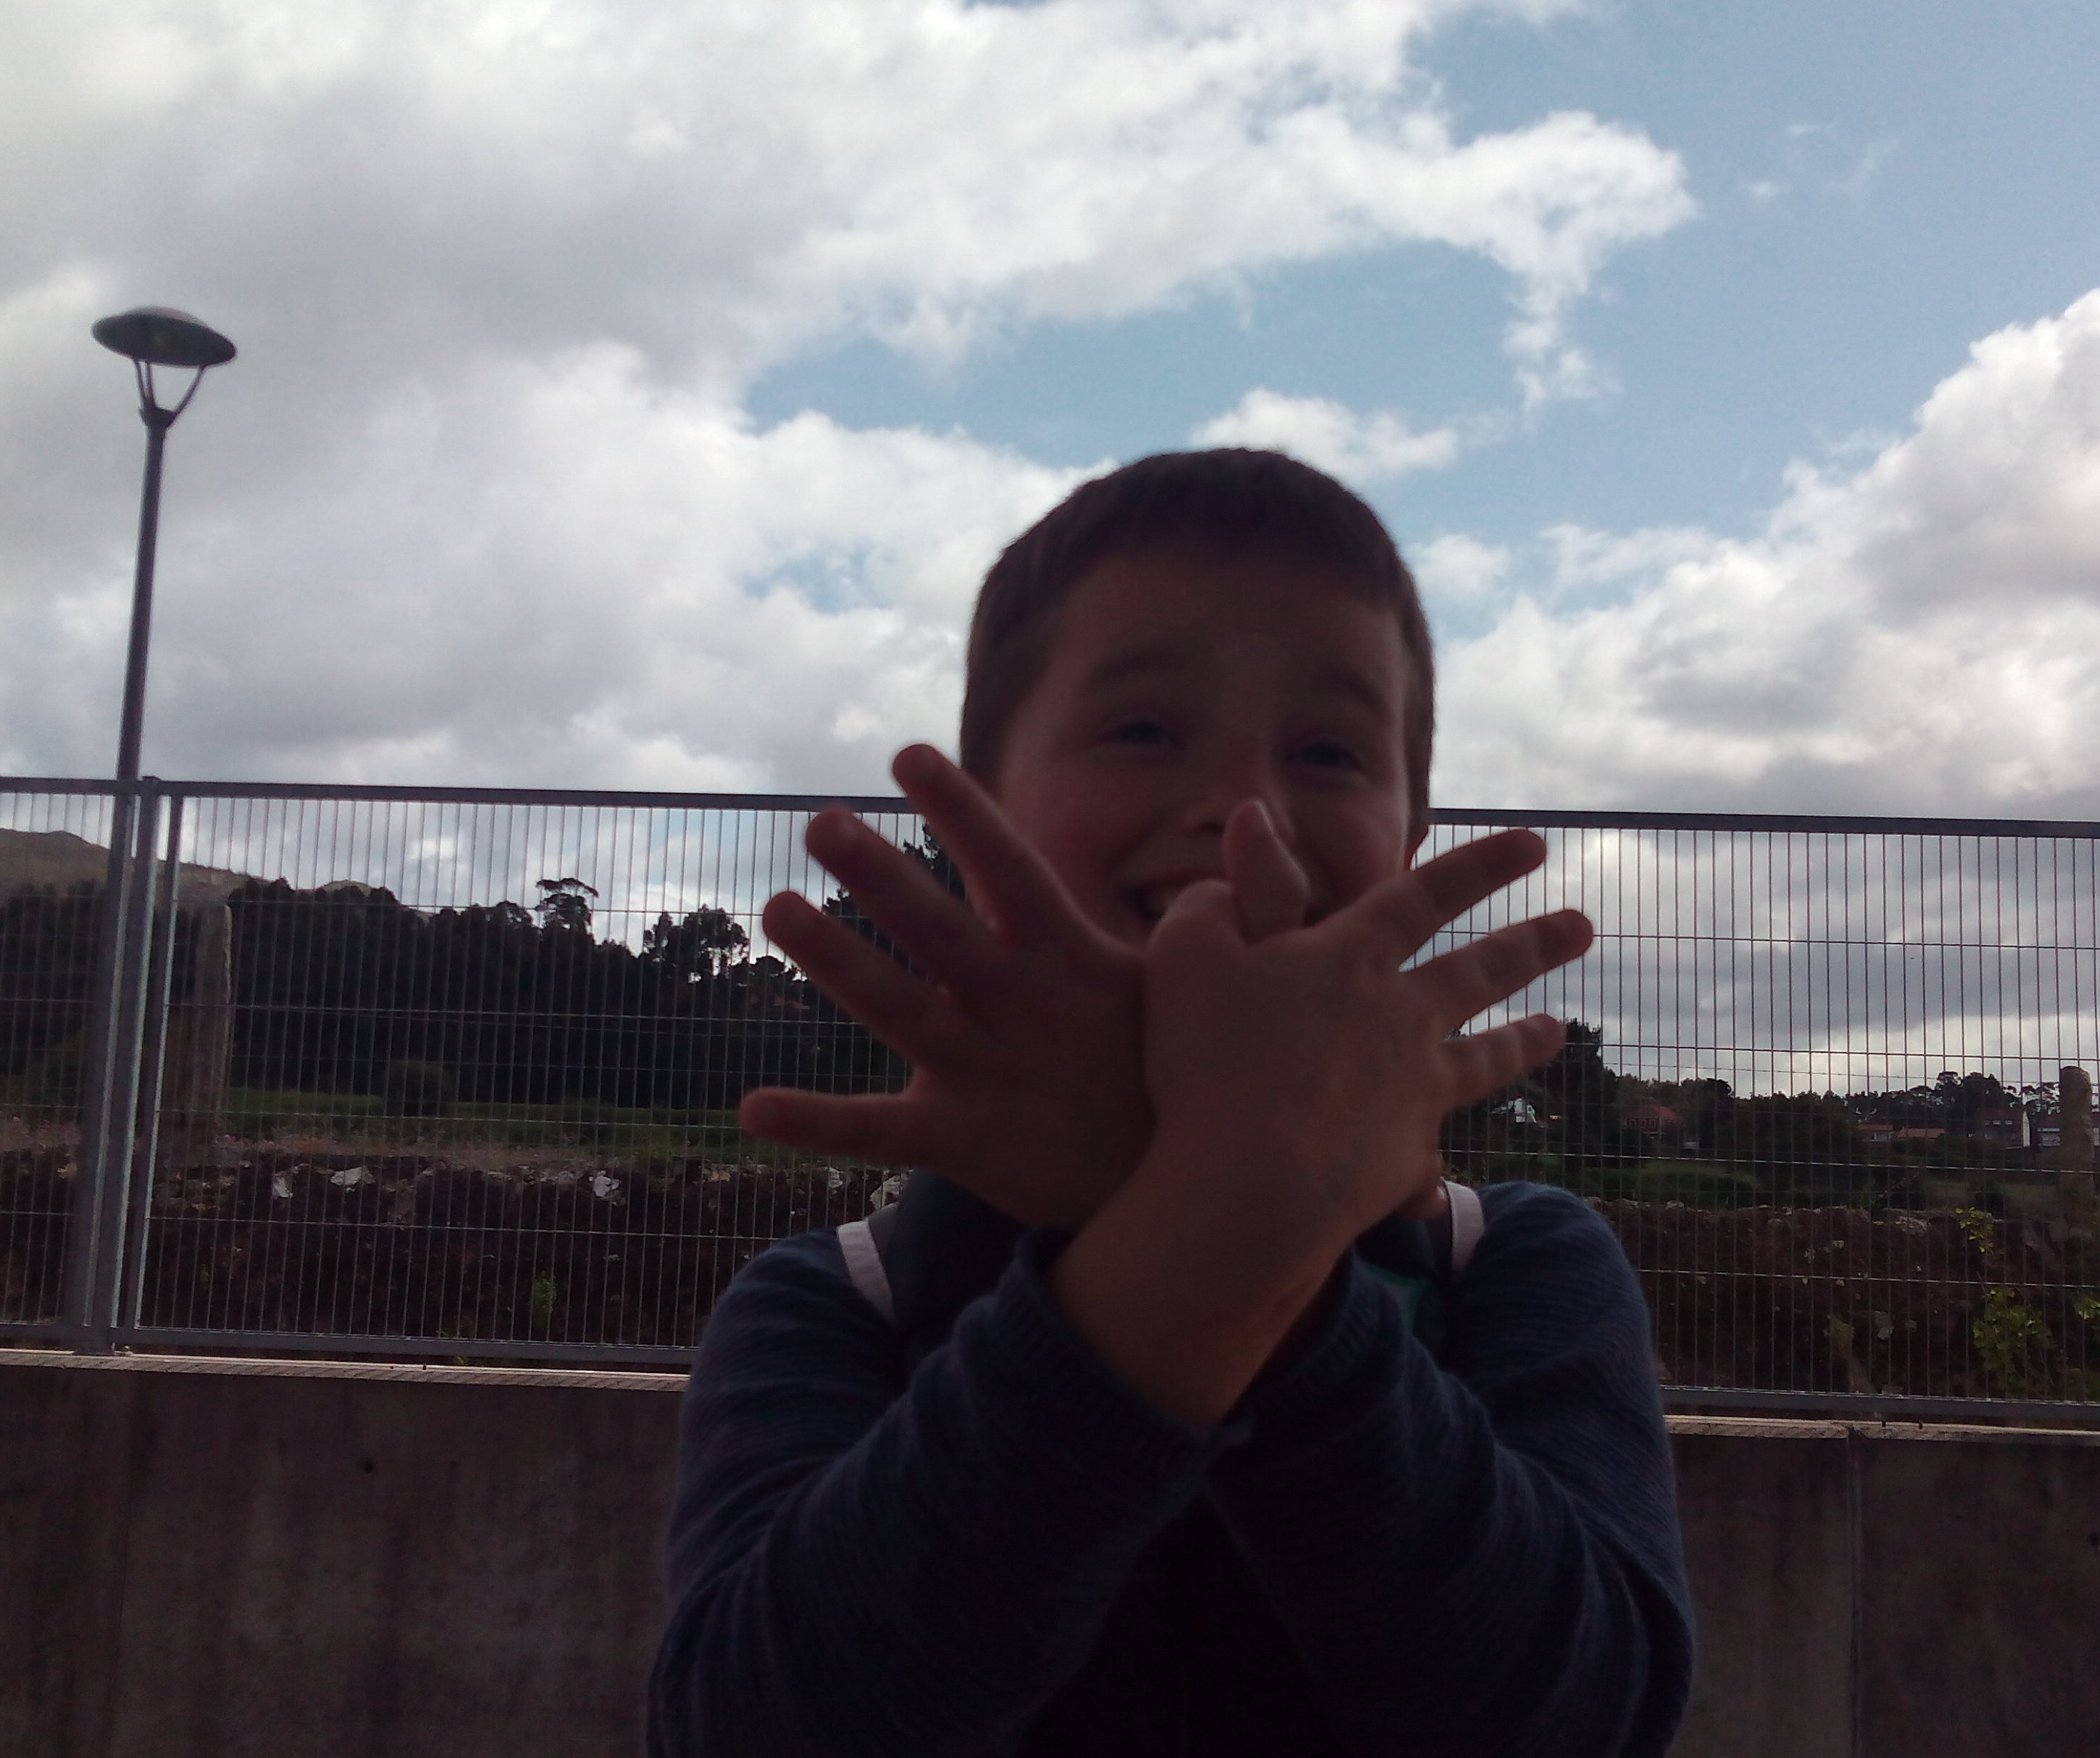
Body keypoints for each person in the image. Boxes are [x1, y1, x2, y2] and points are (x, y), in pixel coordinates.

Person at [649, 449, 1694, 1757]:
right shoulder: (838, 1303)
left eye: (1327, 750)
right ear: (982, 812)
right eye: (1143, 728)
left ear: (1412, 838)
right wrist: (1228, 1223)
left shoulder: (1519, 1268)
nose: (1240, 812)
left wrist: (1223, 1233)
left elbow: (1584, 1715)